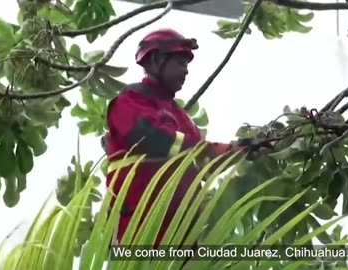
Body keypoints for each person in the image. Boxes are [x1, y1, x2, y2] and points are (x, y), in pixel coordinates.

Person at [104, 28, 263, 249]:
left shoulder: (182, 118)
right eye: (180, 63)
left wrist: (241, 150)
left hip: (181, 236)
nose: (186, 71)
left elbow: (202, 162)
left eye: (187, 65)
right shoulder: (129, 101)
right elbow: (156, 140)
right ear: (156, 60)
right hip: (140, 232)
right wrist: (214, 149)